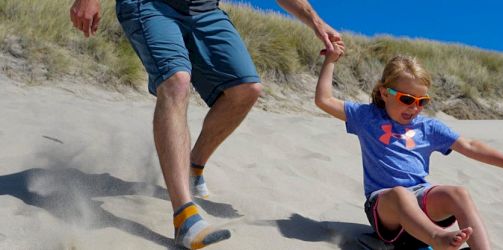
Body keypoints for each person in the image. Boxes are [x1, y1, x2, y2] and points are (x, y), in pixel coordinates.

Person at [69, 0, 343, 248]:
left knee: (247, 88)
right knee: (176, 82)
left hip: (204, 10)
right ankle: (185, 217)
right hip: (150, 4)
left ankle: (194, 166)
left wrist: (316, 23)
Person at [315, 45, 503, 250]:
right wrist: (330, 61)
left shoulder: (429, 128)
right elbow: (324, 100)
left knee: (459, 193)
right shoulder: (367, 117)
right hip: (384, 208)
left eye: (421, 102)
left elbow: (469, 145)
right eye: (407, 99)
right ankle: (438, 240)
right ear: (386, 93)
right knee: (400, 193)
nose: (414, 108)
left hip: (421, 203)